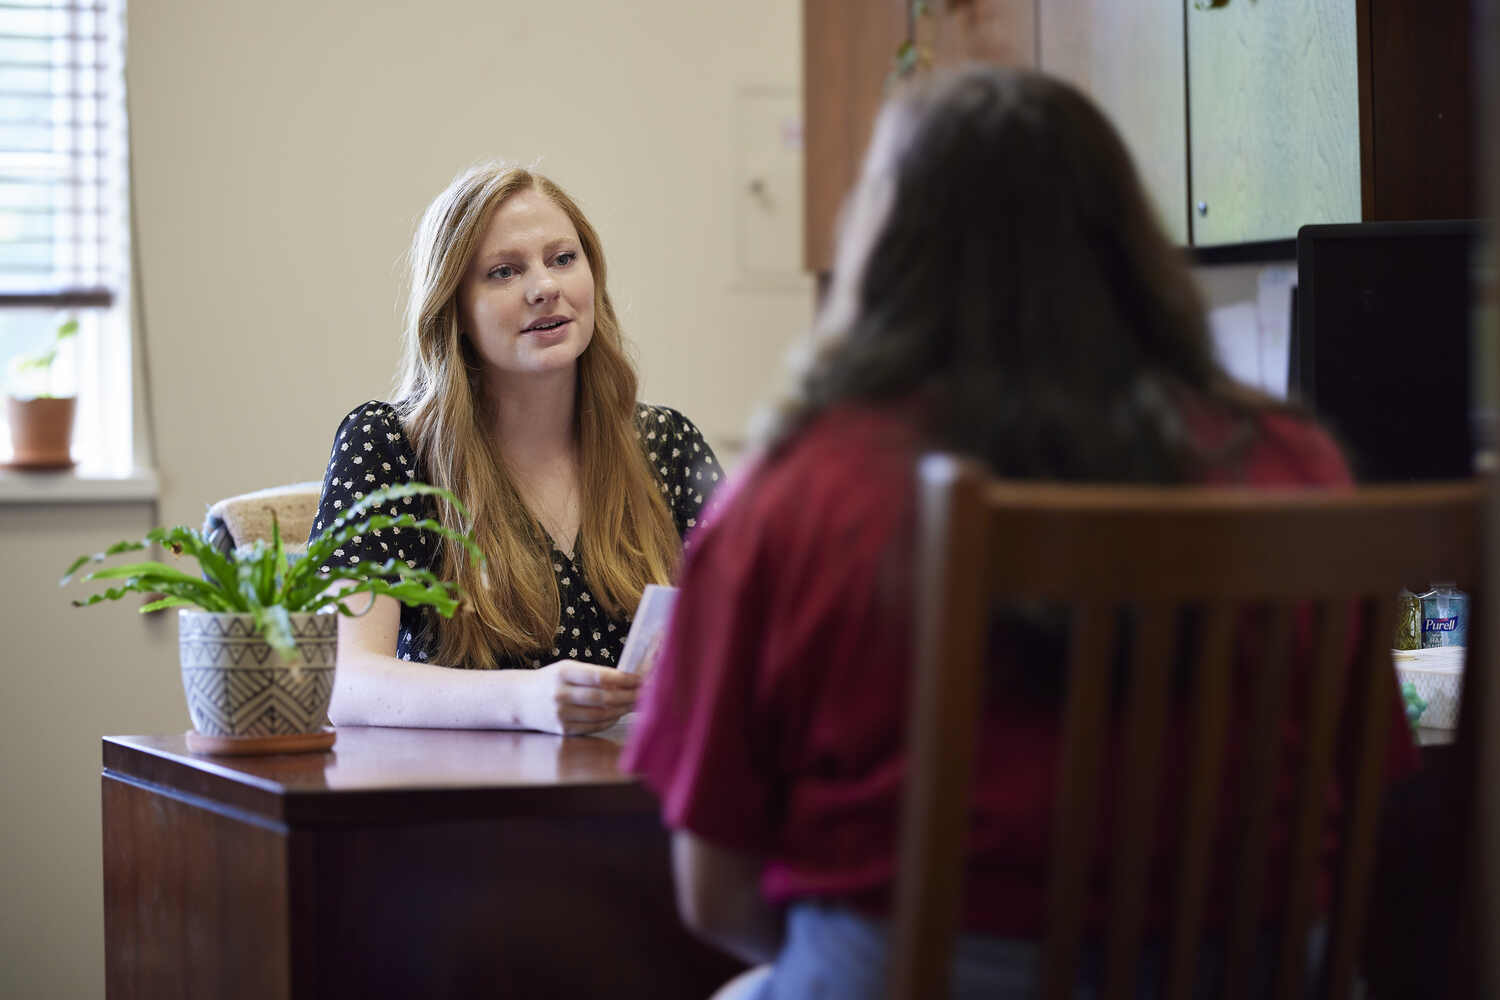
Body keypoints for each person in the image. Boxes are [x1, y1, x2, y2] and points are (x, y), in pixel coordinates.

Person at [622, 67, 1417, 997]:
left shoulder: (791, 496)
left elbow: (718, 896)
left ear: (888, 245)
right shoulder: (1296, 465)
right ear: (1128, 241)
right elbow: (1373, 802)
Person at [312, 164, 721, 736]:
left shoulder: (665, 445)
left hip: (639, 802)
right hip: (469, 806)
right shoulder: (387, 446)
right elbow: (346, 681)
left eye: (562, 259)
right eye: (504, 272)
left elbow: (753, 637)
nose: (544, 287)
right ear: (453, 309)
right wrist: (529, 699)